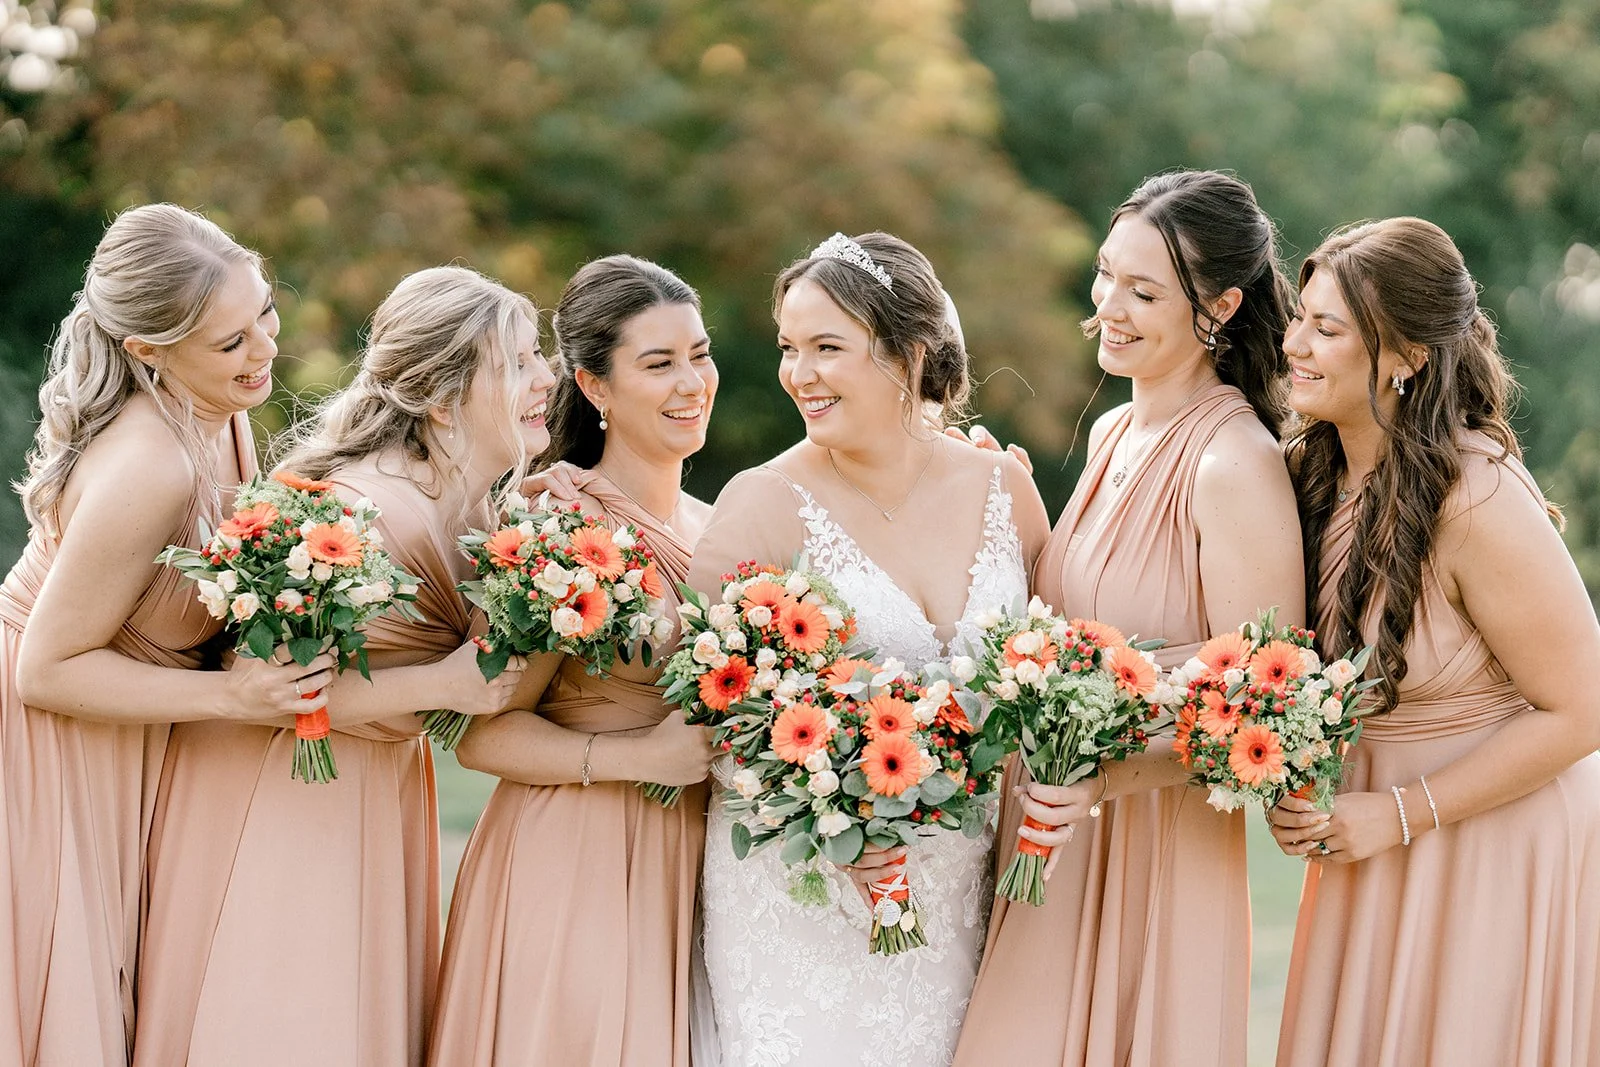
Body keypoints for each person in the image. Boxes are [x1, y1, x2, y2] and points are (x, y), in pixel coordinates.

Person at [131, 265, 537, 1066]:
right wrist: (446, 685)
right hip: (282, 790)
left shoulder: (475, 501)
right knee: (288, 1022)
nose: (547, 378)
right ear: (444, 398)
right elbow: (274, 687)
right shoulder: (362, 507)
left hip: (369, 786)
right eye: (519, 362)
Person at [955, 170, 1304, 1067]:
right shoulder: (1114, 430)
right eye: (1107, 275)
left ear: (1220, 307)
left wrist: (1103, 782)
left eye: (1144, 291)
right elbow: (1080, 623)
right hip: (1050, 835)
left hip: (1150, 843)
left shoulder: (1234, 462)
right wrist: (1011, 509)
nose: (1109, 304)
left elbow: (1267, 709)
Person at [687, 232, 1050, 1066]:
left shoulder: (1006, 488)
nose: (797, 373)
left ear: (908, 353)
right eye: (789, 347)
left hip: (965, 897)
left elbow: (1049, 670)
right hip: (805, 903)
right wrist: (830, 810)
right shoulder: (763, 504)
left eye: (826, 347)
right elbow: (709, 714)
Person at [0, 203, 330, 1065]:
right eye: (230, 342)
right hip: (46, 744)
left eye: (264, 312)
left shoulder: (220, 408)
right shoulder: (154, 462)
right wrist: (232, 693)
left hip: (122, 734)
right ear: (147, 350)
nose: (263, 349)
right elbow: (45, 668)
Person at [1268, 217, 1600, 1067]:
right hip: (1374, 833)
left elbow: (1584, 706)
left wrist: (1401, 813)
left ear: (1406, 357)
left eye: (1327, 327)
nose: (1295, 342)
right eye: (1300, 316)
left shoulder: (1477, 497)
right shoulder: (1315, 474)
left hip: (1491, 840)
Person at [428, 255, 719, 1066]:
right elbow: (481, 733)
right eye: (657, 364)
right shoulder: (555, 523)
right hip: (579, 859)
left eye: (699, 354)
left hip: (693, 865)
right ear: (593, 386)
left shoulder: (718, 523)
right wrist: (641, 755)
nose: (691, 381)